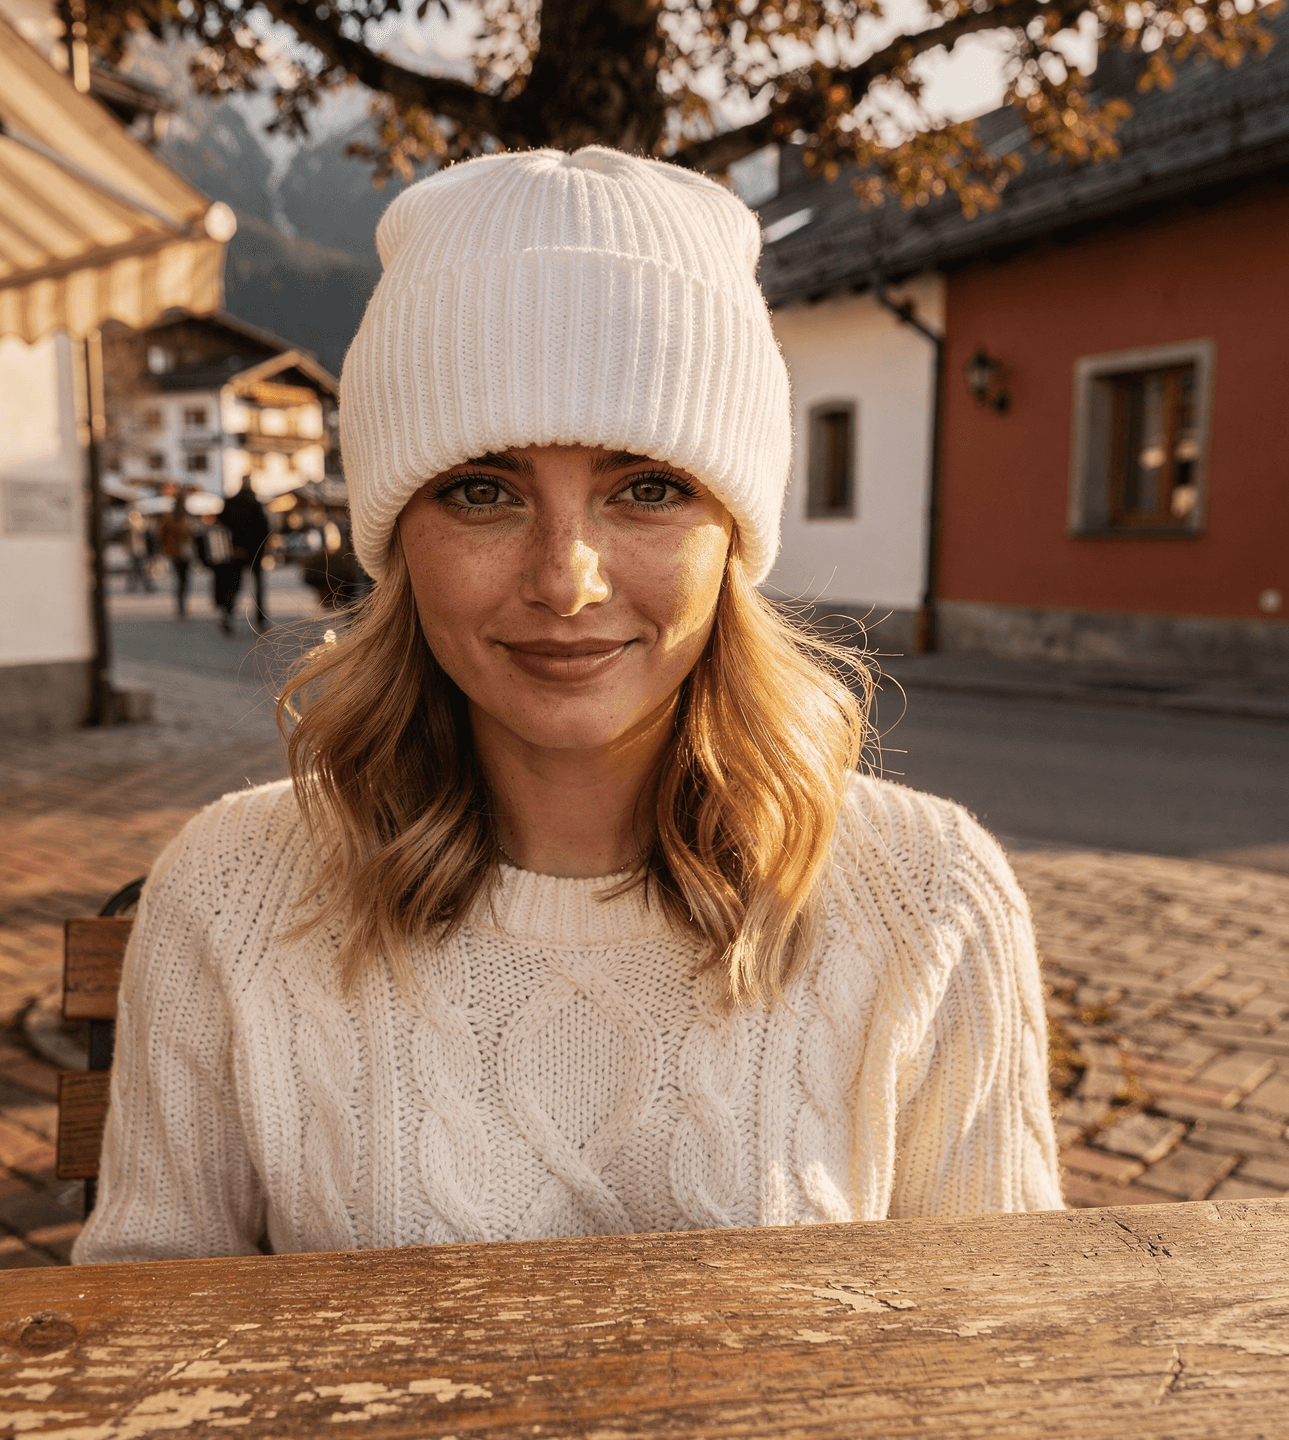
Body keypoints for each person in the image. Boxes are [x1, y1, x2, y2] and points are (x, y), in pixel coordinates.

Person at [74, 148, 1059, 1266]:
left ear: (733, 537)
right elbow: (143, 1334)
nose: (566, 578)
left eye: (646, 488)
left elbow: (996, 1351)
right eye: (481, 491)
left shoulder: (927, 898)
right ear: (399, 541)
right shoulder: (231, 890)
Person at [221, 481, 272, 632]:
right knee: (258, 586)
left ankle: (228, 614)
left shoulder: (230, 502)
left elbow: (222, 524)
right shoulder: (255, 503)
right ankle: (260, 618)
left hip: (235, 550)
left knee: (234, 585)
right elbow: (264, 528)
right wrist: (262, 549)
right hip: (254, 550)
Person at [157, 489, 196, 619]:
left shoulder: (170, 517)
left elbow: (162, 536)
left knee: (181, 580)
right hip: (180, 552)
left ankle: (181, 606)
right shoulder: (180, 518)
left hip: (177, 552)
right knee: (183, 580)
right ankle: (181, 606)